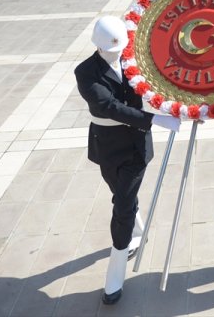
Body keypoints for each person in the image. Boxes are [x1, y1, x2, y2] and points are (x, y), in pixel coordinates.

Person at [74, 16, 179, 305]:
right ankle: (135, 228)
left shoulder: (135, 61)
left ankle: (115, 274)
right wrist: (154, 119)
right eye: (111, 49)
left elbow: (160, 81)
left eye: (120, 49)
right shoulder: (85, 72)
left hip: (134, 146)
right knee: (120, 194)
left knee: (121, 203)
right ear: (97, 46)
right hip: (107, 145)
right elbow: (108, 106)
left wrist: (181, 105)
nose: (117, 54)